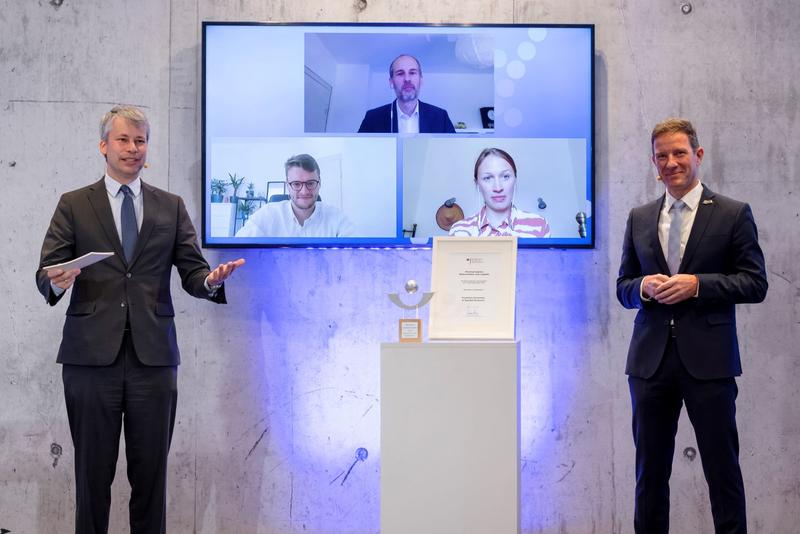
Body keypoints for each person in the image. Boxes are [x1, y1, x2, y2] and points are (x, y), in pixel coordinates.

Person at [36, 105, 245, 534]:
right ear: (103, 146)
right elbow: (47, 272)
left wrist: (209, 280)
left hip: (153, 360)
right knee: (92, 477)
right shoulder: (74, 204)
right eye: (124, 140)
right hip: (90, 360)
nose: (133, 149)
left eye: (140, 141)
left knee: (151, 478)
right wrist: (58, 279)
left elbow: (192, 270)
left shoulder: (170, 206)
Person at [616, 118, 768, 534]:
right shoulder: (640, 217)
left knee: (723, 474)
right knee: (649, 477)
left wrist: (698, 285)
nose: (671, 162)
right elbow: (622, 287)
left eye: (679, 153)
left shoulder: (734, 214)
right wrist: (643, 287)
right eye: (662, 155)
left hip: (710, 364)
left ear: (698, 156)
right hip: (649, 365)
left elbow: (755, 283)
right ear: (653, 162)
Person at [236, 153, 355, 238]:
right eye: (296, 184)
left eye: (310, 183)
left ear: (319, 183)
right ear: (288, 185)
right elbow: (239, 249)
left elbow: (356, 255)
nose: (304, 191)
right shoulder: (268, 214)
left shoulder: (337, 217)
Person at [449, 147, 550, 237]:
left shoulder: (539, 225)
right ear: (477, 183)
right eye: (488, 178)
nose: (498, 188)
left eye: (505, 176)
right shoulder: (460, 231)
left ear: (515, 179)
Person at [358, 54, 456, 134]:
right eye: (400, 73)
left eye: (412, 73)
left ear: (421, 80)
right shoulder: (372, 118)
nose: (407, 79)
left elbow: (453, 153)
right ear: (391, 82)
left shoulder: (440, 117)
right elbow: (359, 154)